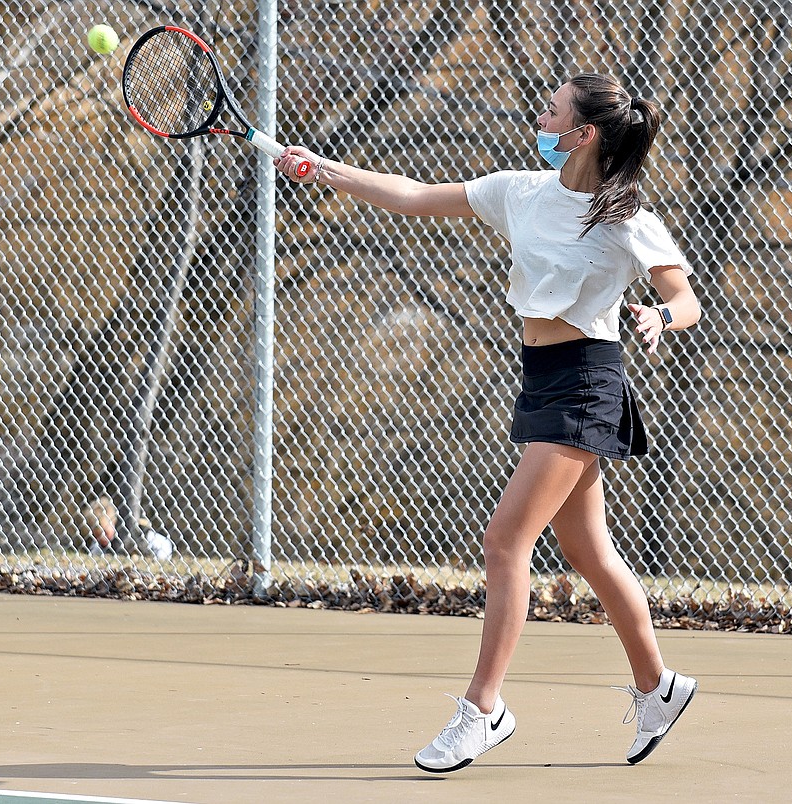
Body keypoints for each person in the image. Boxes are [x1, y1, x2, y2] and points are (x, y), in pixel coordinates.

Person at [274, 73, 702, 772]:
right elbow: (411, 195)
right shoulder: (521, 191)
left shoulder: (625, 219)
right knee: (590, 553)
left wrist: (659, 316)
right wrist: (320, 168)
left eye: (553, 109)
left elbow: (683, 297)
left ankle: (483, 710)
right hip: (542, 381)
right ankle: (659, 687)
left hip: (589, 381)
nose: (542, 114)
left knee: (504, 541)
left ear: (583, 133)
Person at [83, 496, 174, 561]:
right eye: (98, 535)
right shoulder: (98, 545)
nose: (103, 538)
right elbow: (94, 554)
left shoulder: (134, 532)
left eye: (106, 532)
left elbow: (165, 545)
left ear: (113, 522)